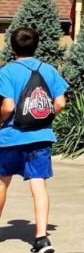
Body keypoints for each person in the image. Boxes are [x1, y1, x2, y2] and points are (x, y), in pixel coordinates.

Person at [0, 26, 67, 253]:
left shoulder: (6, 71)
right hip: (40, 137)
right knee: (38, 185)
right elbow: (60, 103)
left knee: (1, 183)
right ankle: (41, 239)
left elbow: (8, 106)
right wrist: (44, 120)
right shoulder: (49, 71)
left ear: (11, 46)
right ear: (36, 45)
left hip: (10, 136)